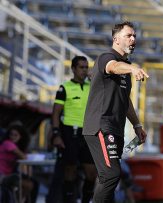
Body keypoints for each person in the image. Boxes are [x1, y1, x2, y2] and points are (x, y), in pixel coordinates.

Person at [82, 21, 149, 202]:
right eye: (129, 35)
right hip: (101, 127)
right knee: (111, 174)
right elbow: (112, 66)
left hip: (115, 129)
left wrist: (137, 125)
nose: (133, 39)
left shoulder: (125, 68)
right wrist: (132, 68)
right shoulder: (107, 57)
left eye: (134, 36)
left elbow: (125, 101)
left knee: (109, 180)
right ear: (116, 39)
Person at [50, 55, 96, 203]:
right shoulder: (65, 88)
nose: (84, 70)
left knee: (91, 173)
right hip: (70, 132)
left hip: (89, 133)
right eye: (81, 67)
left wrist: (93, 77)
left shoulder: (92, 86)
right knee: (70, 170)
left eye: (86, 67)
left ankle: (85, 200)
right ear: (73, 69)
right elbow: (56, 112)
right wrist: (56, 134)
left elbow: (105, 86)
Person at [0, 124, 39, 203]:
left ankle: (18, 200)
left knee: (33, 183)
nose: (13, 137)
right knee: (29, 184)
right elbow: (24, 157)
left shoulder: (15, 146)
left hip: (9, 174)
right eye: (11, 134)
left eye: (15, 135)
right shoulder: (8, 143)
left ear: (21, 136)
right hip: (2, 175)